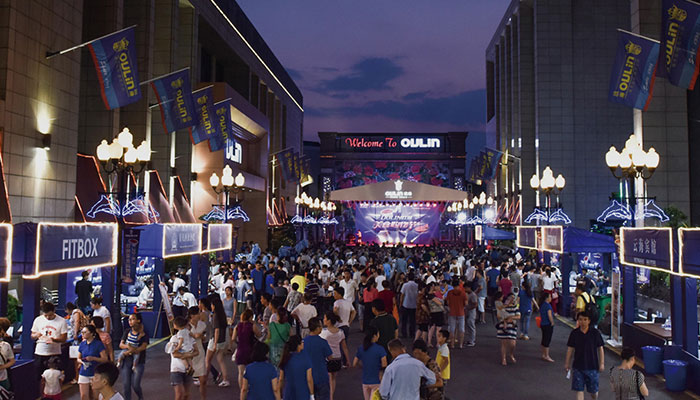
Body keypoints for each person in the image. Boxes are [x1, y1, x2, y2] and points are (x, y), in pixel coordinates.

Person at [565, 312, 605, 400]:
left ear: (589, 321)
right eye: (580, 319)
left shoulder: (595, 333)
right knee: (579, 390)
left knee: (593, 391)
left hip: (592, 366)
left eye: (585, 320)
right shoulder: (574, 333)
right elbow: (570, 349)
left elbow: (600, 348)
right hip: (578, 367)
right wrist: (567, 363)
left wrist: (602, 363)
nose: (582, 322)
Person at [31, 302, 68, 386]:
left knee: (55, 377)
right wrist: (37, 335)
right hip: (40, 352)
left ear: (54, 311)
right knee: (39, 377)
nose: (48, 317)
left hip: (54, 353)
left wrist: (53, 339)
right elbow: (32, 335)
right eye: (46, 315)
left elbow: (64, 339)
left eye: (50, 315)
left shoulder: (61, 321)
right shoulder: (38, 320)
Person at [117, 313, 148, 400]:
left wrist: (131, 351)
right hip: (126, 361)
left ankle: (140, 397)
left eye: (133, 319)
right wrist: (128, 347)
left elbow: (143, 347)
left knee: (135, 385)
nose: (130, 321)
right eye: (129, 319)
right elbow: (121, 345)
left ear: (138, 320)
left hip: (138, 361)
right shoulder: (127, 331)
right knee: (126, 385)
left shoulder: (143, 333)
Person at [320, 312, 350, 400]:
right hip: (338, 358)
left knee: (328, 378)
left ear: (329, 321)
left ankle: (330, 397)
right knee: (333, 378)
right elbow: (344, 347)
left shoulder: (323, 332)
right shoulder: (340, 332)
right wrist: (347, 360)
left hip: (327, 358)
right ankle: (331, 396)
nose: (323, 320)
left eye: (325, 318)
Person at [166, 322, 199, 400]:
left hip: (188, 370)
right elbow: (175, 354)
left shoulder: (191, 339)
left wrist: (185, 354)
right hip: (176, 369)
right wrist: (188, 354)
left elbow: (197, 352)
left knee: (186, 394)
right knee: (179, 394)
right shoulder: (174, 338)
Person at [353, 327, 387, 400]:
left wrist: (363, 365)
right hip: (376, 381)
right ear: (374, 336)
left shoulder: (361, 348)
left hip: (365, 381)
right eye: (378, 334)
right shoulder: (380, 349)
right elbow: (384, 364)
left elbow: (354, 363)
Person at [303, 317, 332, 400]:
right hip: (321, 376)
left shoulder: (303, 342)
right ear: (317, 328)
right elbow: (330, 357)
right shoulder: (323, 342)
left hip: (306, 377)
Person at [78, 325, 108, 400]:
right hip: (84, 372)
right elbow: (78, 358)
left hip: (95, 372)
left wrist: (93, 358)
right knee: (84, 396)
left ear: (91, 333)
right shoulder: (82, 344)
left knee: (95, 396)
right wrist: (81, 361)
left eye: (85, 332)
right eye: (82, 332)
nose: (83, 334)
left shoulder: (98, 344)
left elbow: (105, 359)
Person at [279, 335, 314, 400]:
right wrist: (312, 394)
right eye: (302, 342)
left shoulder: (285, 358)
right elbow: (309, 379)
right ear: (298, 345)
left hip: (288, 393)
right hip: (303, 394)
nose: (303, 343)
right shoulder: (305, 358)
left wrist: (280, 393)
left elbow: (281, 379)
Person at [231, 309, 260, 389]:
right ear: (250, 317)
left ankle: (242, 389)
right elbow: (259, 335)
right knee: (251, 371)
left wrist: (238, 342)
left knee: (241, 372)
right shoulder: (252, 326)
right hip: (250, 350)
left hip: (240, 350)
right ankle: (251, 387)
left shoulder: (237, 326)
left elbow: (233, 338)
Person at [208, 296, 230, 387]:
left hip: (215, 340)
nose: (211, 307)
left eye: (212, 305)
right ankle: (225, 379)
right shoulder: (222, 315)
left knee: (207, 360)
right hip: (222, 340)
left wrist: (215, 343)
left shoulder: (215, 316)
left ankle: (203, 379)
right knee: (221, 360)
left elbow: (216, 330)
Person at [496, 293, 520, 366]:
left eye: (513, 298)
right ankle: (503, 358)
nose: (512, 300)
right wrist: (505, 320)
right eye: (510, 298)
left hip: (512, 326)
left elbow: (518, 316)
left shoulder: (515, 307)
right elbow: (498, 316)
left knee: (513, 343)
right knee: (504, 343)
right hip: (503, 326)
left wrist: (510, 317)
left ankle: (511, 354)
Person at [445, 279, 467, 348]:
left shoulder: (450, 292)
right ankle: (461, 344)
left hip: (452, 312)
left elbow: (447, 302)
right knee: (461, 329)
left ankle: (452, 344)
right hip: (461, 312)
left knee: (452, 329)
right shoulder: (463, 293)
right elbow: (466, 303)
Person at [399, 273, 418, 338]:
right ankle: (412, 333)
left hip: (406, 304)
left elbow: (402, 295)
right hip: (414, 304)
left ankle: (404, 333)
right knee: (412, 320)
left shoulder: (405, 285)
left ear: (407, 278)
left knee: (404, 320)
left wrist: (400, 303)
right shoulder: (416, 285)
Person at [539, 292, 555, 362]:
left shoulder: (542, 305)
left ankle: (543, 354)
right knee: (547, 340)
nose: (551, 298)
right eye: (550, 297)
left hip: (543, 324)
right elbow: (549, 315)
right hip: (548, 324)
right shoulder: (548, 306)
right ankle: (547, 356)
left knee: (544, 339)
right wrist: (552, 322)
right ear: (547, 298)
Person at [0, 320, 13, 391]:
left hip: (3, 376)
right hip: (5, 374)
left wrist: (3, 367)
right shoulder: (8, 340)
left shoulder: (6, 343)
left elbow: (11, 360)